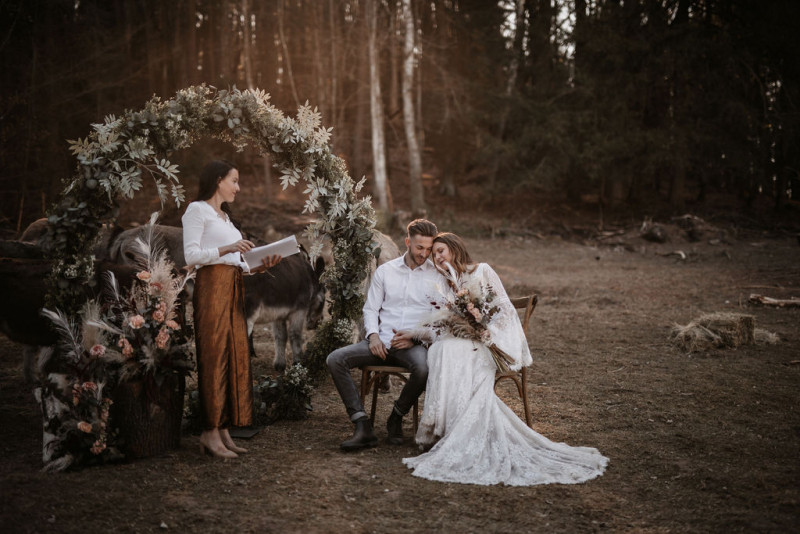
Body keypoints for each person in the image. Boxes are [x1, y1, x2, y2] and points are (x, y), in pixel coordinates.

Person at [398, 232, 609, 485]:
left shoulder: (481, 271)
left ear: (454, 248)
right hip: (464, 342)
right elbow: (440, 326)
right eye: (434, 254)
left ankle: (458, 431)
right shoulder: (445, 285)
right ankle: (445, 430)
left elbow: (505, 310)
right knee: (440, 349)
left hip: (487, 342)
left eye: (441, 251)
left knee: (450, 350)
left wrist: (487, 332)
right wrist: (414, 332)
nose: (437, 257)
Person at [182, 160, 281, 459]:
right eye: (234, 181)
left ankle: (223, 429)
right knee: (213, 356)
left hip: (233, 287)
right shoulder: (196, 210)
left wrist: (261, 266)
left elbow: (237, 264)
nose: (238, 188)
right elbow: (191, 256)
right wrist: (229, 248)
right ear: (218, 180)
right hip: (211, 289)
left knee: (233, 354)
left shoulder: (226, 219)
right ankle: (208, 432)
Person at [326, 219, 440, 451]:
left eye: (429, 249)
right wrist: (374, 335)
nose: (424, 254)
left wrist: (415, 337)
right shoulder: (386, 271)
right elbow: (370, 309)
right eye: (420, 247)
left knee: (423, 369)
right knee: (335, 359)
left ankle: (396, 416)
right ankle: (362, 424)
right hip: (379, 342)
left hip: (412, 345)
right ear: (408, 242)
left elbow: (439, 321)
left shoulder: (436, 276)